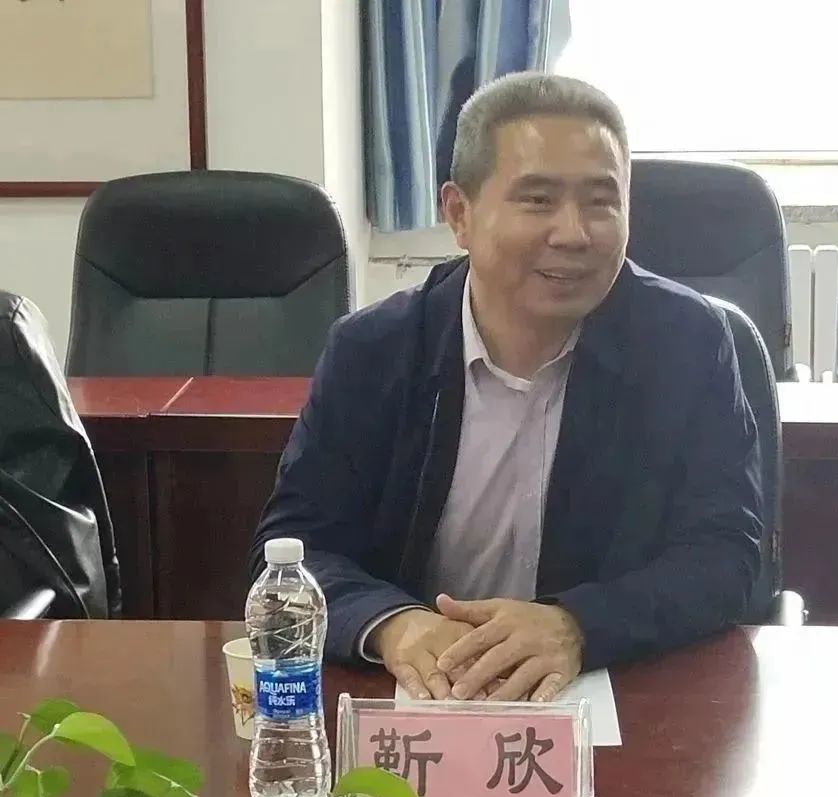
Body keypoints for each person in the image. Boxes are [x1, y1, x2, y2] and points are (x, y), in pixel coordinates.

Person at [251, 71, 763, 703]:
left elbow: (725, 557)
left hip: (613, 694)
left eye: (601, 201)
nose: (574, 233)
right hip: (423, 697)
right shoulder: (376, 351)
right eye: (538, 200)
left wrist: (577, 625)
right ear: (459, 214)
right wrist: (394, 625)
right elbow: (296, 551)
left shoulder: (686, 344)